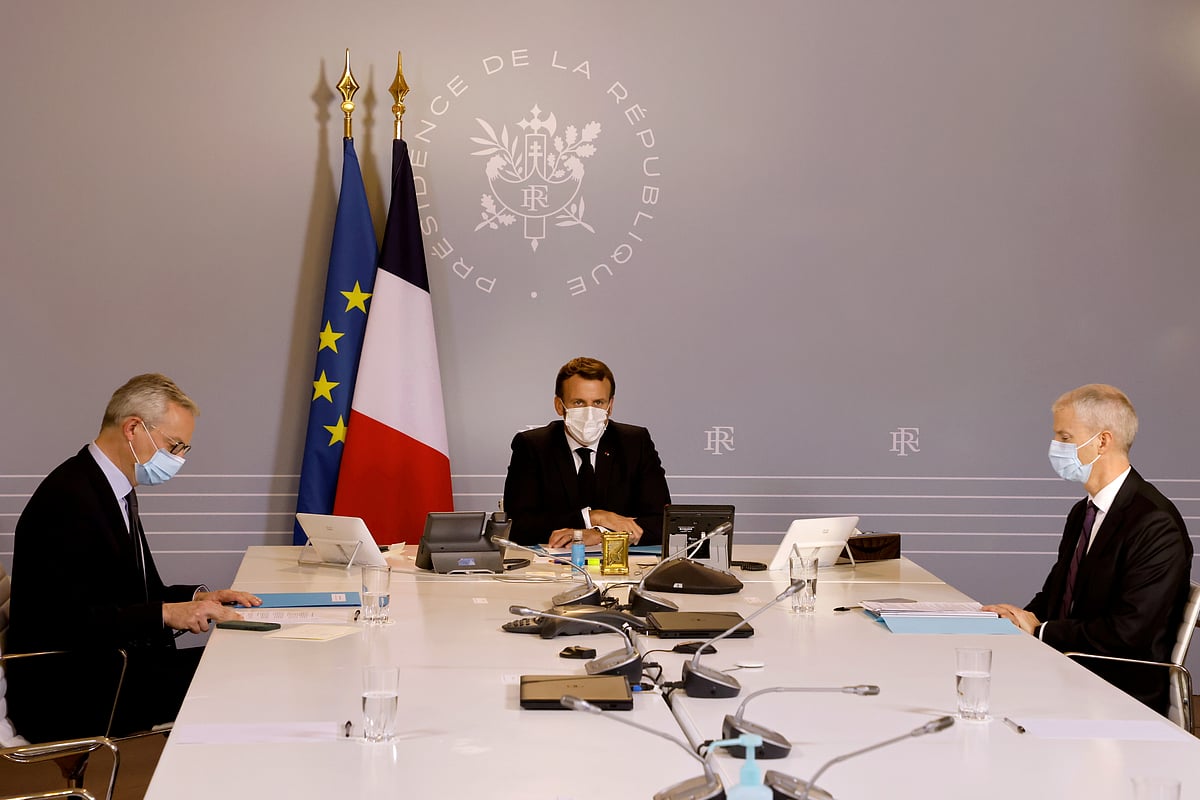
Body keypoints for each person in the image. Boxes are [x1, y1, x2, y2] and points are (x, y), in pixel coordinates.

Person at [6, 373, 261, 742]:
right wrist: (168, 613)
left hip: (111, 666)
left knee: (237, 663)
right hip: (68, 688)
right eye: (174, 446)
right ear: (133, 429)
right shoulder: (68, 499)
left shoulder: (111, 488)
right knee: (237, 676)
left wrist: (197, 598)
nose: (178, 460)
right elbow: (65, 622)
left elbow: (140, 590)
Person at [984, 384, 1192, 715]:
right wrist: (1014, 619)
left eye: (1065, 438)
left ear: (1102, 441)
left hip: (1117, 690)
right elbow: (1056, 594)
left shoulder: (1154, 523)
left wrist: (1040, 631)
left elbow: (1130, 632)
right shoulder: (1084, 511)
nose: (1056, 447)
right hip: (1068, 668)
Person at [503, 357, 671, 548]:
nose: (589, 412)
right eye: (579, 403)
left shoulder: (635, 442)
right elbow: (517, 526)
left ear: (610, 405)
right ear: (559, 405)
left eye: (598, 402)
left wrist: (600, 534)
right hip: (553, 568)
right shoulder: (532, 446)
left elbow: (663, 522)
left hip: (623, 566)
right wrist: (594, 517)